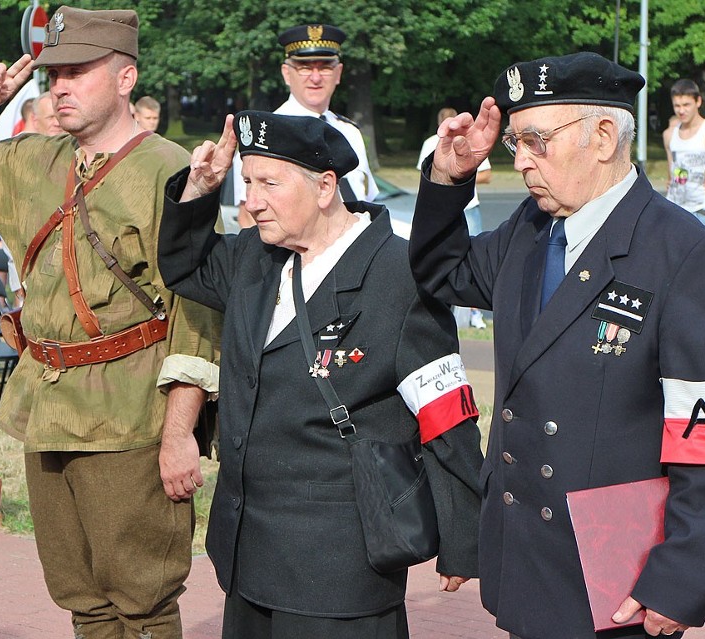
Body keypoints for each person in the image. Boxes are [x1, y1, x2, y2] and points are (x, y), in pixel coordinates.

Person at [409, 52, 705, 639]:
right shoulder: (531, 228)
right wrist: (449, 178)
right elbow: (445, 272)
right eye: (514, 143)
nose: (519, 162)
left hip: (617, 578)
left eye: (534, 140)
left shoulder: (681, 252)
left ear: (601, 136)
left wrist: (684, 576)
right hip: (530, 560)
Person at [0, 6, 222, 638]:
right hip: (49, 409)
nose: (60, 85)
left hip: (130, 416)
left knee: (141, 597)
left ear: (124, 78)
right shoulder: (31, 160)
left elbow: (197, 314)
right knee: (81, 596)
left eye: (79, 71)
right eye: (54, 73)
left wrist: (179, 435)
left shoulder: (170, 173)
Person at [158, 111, 482, 638]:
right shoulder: (257, 260)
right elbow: (186, 265)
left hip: (341, 572)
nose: (251, 201)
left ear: (326, 186)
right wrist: (199, 186)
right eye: (246, 184)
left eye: (269, 184)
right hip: (248, 555)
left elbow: (445, 410)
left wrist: (462, 536)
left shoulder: (398, 274)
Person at [231, 23, 378, 227]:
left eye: (325, 67)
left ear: (338, 73)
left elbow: (366, 203)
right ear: (286, 73)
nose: (315, 77)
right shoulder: (263, 134)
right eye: (304, 67)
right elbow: (249, 218)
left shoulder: (350, 133)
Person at [418, 106, 492, 329]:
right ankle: (442, 313)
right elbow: (424, 172)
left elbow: (487, 175)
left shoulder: (468, 139)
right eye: (447, 122)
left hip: (470, 205)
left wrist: (462, 172)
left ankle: (474, 314)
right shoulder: (431, 143)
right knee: (443, 259)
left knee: (475, 264)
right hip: (446, 207)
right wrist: (445, 175)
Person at [663, 79, 705, 219]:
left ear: (698, 102)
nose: (681, 111)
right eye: (677, 106)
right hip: (675, 209)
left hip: (704, 211)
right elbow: (672, 172)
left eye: (686, 105)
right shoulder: (669, 135)